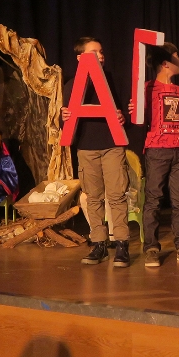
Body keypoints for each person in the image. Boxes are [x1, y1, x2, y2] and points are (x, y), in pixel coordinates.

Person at [60, 37, 131, 268]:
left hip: (112, 145)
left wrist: (122, 116)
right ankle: (99, 244)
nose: (100, 56)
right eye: (94, 52)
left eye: (101, 52)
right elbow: (66, 123)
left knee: (117, 195)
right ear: (80, 58)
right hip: (86, 147)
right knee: (93, 198)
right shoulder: (72, 85)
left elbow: (124, 111)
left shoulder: (111, 81)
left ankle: (121, 244)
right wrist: (64, 117)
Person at [131, 42, 179, 267]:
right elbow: (140, 117)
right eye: (176, 56)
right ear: (165, 64)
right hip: (157, 149)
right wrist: (135, 110)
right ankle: (151, 248)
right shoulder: (148, 88)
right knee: (153, 199)